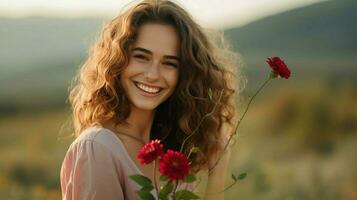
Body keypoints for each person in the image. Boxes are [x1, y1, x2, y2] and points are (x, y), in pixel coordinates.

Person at [60, 0, 242, 199]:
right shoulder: (98, 147)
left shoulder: (168, 154)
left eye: (169, 63)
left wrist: (218, 170)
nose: (153, 74)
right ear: (117, 61)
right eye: (141, 57)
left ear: (185, 74)